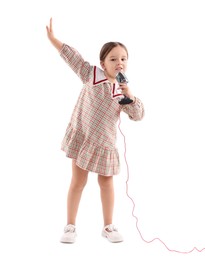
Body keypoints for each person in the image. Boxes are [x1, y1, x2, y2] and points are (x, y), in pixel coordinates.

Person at [46, 18, 144, 243]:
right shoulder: (91, 75)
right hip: (84, 138)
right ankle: (70, 226)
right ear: (103, 62)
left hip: (105, 144)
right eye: (113, 59)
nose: (119, 62)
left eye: (123, 59)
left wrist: (129, 95)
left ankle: (108, 226)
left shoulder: (122, 92)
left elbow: (138, 114)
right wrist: (54, 40)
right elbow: (74, 58)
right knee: (78, 181)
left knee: (106, 183)